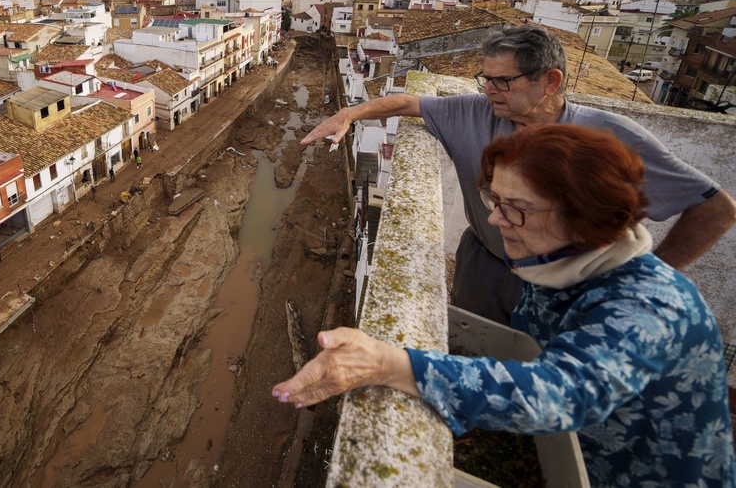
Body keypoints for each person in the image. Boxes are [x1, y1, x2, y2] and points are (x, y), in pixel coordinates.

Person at [275, 124, 736, 487]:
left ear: (585, 217)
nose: (495, 219)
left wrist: (388, 364)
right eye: (494, 198)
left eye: (517, 207)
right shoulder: (556, 261)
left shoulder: (653, 308)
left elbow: (559, 394)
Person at [302, 23, 736, 324]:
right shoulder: (475, 111)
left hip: (571, 288)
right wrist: (349, 114)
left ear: (550, 81)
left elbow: (716, 209)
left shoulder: (608, 136)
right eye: (484, 78)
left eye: (503, 81)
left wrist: (649, 277)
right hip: (485, 268)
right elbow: (406, 103)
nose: (489, 90)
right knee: (473, 350)